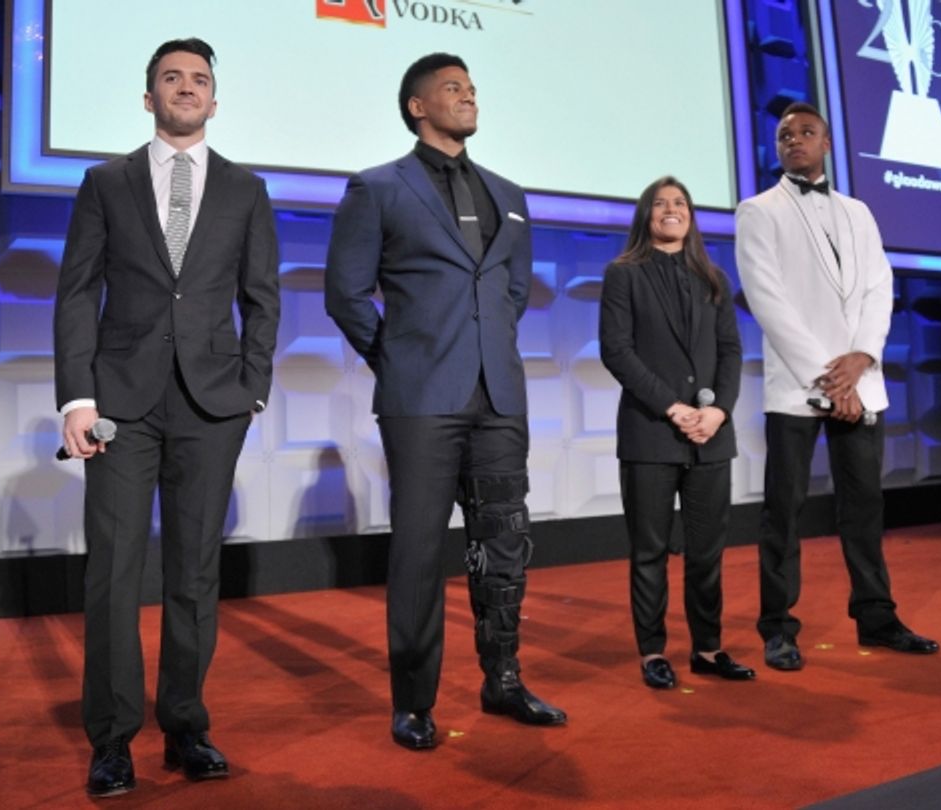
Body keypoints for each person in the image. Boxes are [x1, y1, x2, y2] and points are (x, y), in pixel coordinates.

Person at [53, 38, 280, 796]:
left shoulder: (246, 190)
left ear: (215, 101)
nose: (187, 88)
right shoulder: (105, 182)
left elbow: (263, 299)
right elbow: (78, 293)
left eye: (201, 80)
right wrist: (76, 398)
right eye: (172, 78)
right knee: (113, 573)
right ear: (148, 96)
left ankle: (185, 725)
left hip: (214, 405)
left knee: (193, 573)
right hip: (118, 404)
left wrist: (252, 389)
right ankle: (112, 739)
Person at [325, 52, 566, 751]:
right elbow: (345, 292)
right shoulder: (377, 187)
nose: (468, 97)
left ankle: (505, 679)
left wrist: (486, 347)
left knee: (505, 543)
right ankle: (414, 701)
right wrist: (395, 355)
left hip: (500, 394)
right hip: (421, 395)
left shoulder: (508, 191)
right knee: (420, 552)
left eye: (472, 88)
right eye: (452, 89)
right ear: (417, 106)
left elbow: (512, 290)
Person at [735, 102, 938, 671]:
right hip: (800, 386)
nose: (793, 140)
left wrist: (862, 358)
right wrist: (829, 376)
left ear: (826, 143)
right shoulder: (758, 210)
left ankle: (876, 617)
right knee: (785, 509)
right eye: (783, 135)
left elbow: (879, 287)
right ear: (776, 149)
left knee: (864, 508)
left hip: (860, 380)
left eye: (805, 132)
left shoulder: (859, 211)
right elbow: (767, 299)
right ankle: (778, 627)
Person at [599, 176, 754, 689]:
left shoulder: (713, 277)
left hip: (711, 436)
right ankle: (652, 653)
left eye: (680, 203)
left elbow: (731, 351)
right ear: (646, 216)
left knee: (707, 552)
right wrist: (671, 407)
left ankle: (707, 649)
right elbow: (616, 350)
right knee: (649, 551)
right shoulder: (624, 275)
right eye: (661, 203)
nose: (672, 210)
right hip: (651, 433)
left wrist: (720, 411)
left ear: (691, 216)